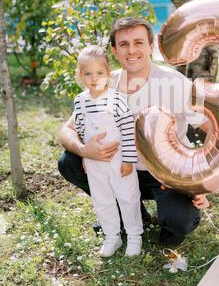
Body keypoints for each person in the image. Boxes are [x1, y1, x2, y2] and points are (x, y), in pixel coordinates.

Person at [58, 18, 209, 247]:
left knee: (179, 221)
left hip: (165, 177)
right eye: (124, 44)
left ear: (151, 47)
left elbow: (211, 129)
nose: (131, 50)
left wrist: (201, 183)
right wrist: (84, 150)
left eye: (138, 42)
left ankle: (168, 224)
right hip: (120, 170)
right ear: (115, 51)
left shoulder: (173, 82)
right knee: (68, 161)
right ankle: (124, 212)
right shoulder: (105, 82)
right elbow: (66, 130)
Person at [73, 45, 143, 257]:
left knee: (127, 197)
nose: (94, 78)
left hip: (119, 159)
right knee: (102, 199)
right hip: (95, 162)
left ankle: (134, 235)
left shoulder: (117, 99)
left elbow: (128, 129)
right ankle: (112, 236)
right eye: (88, 73)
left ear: (107, 73)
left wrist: (129, 160)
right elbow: (82, 129)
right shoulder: (80, 101)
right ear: (80, 74)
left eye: (100, 73)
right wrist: (85, 154)